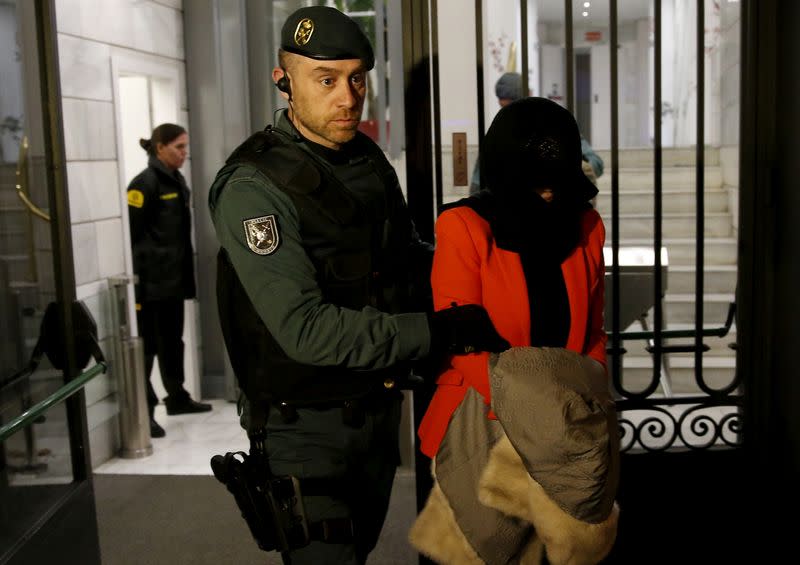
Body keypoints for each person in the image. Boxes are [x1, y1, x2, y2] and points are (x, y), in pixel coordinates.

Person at [207, 6, 507, 564]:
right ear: (284, 81)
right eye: (326, 81)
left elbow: (406, 258)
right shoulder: (253, 186)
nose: (348, 97)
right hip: (305, 428)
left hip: (373, 411)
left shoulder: (365, 158)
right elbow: (305, 330)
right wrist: (435, 332)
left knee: (361, 547)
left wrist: (476, 257)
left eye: (357, 79)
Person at [412, 97, 618, 563]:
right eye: (534, 184)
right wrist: (541, 413)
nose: (547, 196)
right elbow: (463, 342)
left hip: (564, 429)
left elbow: (592, 334)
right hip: (481, 424)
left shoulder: (586, 225)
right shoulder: (463, 226)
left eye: (556, 183)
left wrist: (589, 408)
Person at [127, 123, 212, 439]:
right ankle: (144, 411)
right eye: (178, 147)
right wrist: (141, 282)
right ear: (159, 147)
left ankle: (177, 397)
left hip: (174, 282)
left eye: (186, 147)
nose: (184, 154)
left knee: (173, 344)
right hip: (150, 286)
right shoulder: (144, 184)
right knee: (148, 349)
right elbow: (133, 239)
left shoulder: (176, 180)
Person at [469, 71, 604, 193]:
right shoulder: (497, 136)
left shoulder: (554, 126)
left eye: (514, 108)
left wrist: (573, 169)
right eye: (504, 109)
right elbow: (478, 183)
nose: (509, 116)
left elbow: (596, 163)